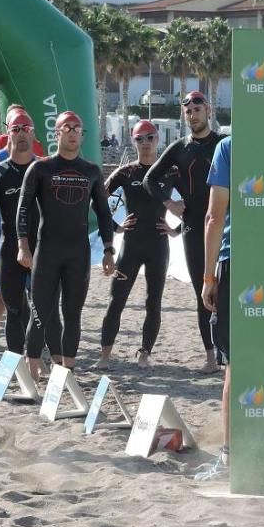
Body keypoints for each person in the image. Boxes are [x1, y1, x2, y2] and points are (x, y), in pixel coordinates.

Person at [16, 111, 115, 379]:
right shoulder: (41, 168)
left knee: (73, 313)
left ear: (82, 134)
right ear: (56, 134)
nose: (72, 132)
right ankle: (33, 368)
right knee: (40, 311)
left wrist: (108, 249)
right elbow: (23, 209)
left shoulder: (91, 171)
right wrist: (23, 246)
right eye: (66, 127)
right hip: (47, 250)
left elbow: (104, 214)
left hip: (78, 253)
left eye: (77, 128)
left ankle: (67, 372)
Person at [143, 90, 224, 373]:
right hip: (193, 226)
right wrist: (169, 202)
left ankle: (231, 352)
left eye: (197, 109)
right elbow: (150, 179)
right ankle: (211, 356)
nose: (193, 114)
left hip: (226, 224)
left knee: (229, 288)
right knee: (203, 289)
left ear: (208, 110)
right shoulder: (180, 148)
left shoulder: (224, 145)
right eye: (188, 111)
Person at [0, 108, 62, 359]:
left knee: (48, 311)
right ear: (8, 133)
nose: (22, 134)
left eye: (26, 128)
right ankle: (15, 366)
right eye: (16, 129)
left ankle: (54, 366)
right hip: (9, 250)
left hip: (44, 252)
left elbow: (64, 215)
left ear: (33, 132)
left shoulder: (48, 171)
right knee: (13, 311)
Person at [98, 120, 178, 370]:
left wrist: (176, 230)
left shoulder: (170, 172)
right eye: (139, 138)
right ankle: (105, 355)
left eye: (150, 137)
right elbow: (97, 201)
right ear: (133, 142)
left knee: (153, 302)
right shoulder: (126, 172)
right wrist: (115, 226)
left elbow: (197, 203)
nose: (145, 143)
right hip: (130, 246)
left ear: (158, 140)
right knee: (116, 300)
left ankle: (145, 353)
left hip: (158, 246)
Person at [196, 135, 233, 481]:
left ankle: (230, 457)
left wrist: (208, 277)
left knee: (235, 366)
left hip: (237, 260)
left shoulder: (229, 147)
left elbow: (213, 216)